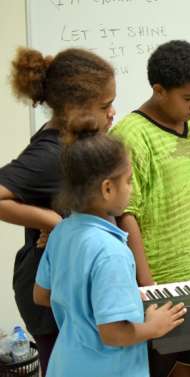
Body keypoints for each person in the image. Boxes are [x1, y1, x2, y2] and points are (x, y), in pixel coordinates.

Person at [33, 113, 187, 377]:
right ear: (107, 189)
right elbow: (113, 333)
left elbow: (42, 295)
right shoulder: (111, 251)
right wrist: (154, 327)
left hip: (66, 363)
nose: (130, 188)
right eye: (128, 181)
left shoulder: (61, 231)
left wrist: (107, 297)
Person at [110, 40, 190, 377]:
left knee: (186, 361)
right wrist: (148, 286)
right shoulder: (131, 135)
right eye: (188, 97)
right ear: (159, 91)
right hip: (164, 279)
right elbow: (126, 212)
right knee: (161, 364)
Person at [0, 47, 115, 374]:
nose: (113, 113)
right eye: (105, 106)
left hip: (67, 284)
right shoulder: (49, 153)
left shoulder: (74, 145)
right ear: (74, 108)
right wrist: (51, 221)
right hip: (49, 294)